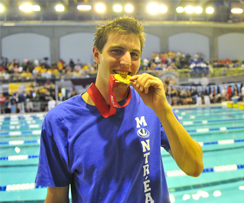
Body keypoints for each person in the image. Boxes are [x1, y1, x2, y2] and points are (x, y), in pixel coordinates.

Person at [35, 16, 204, 203]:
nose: (126, 62)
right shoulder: (60, 121)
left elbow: (194, 167)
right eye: (117, 51)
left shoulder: (152, 107)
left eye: (134, 54)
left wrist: (163, 110)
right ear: (97, 54)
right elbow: (56, 197)